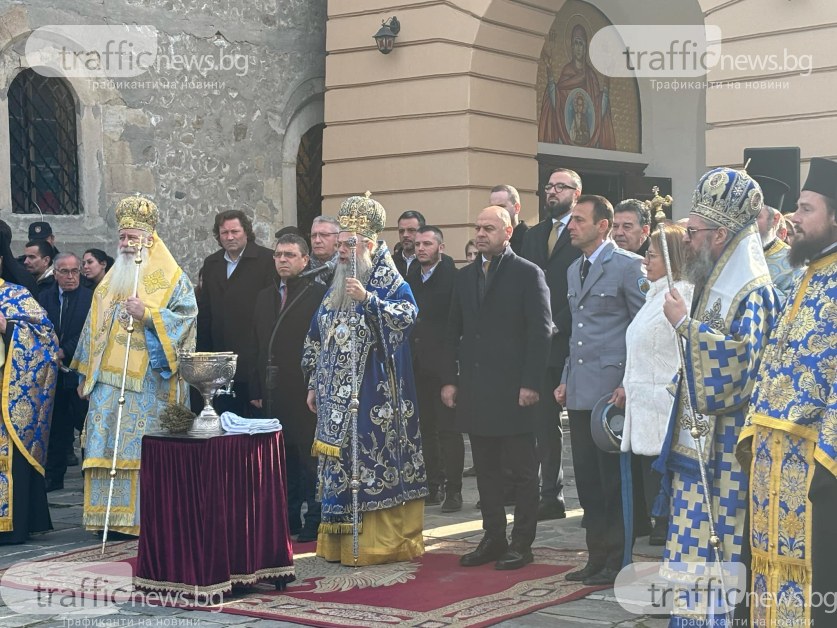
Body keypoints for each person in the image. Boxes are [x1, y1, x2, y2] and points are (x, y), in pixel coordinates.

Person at [655, 168, 780, 625]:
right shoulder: (713, 276)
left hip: (727, 451)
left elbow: (745, 368)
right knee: (690, 550)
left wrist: (686, 327)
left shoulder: (753, 290)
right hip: (698, 446)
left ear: (722, 233)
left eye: (693, 233)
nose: (688, 242)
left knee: (719, 548)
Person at [738, 157, 837, 628]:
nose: (793, 217)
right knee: (770, 572)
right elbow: (774, 363)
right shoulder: (805, 274)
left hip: (818, 466)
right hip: (774, 462)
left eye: (805, 207)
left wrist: (828, 461)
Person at [302, 193, 426, 566]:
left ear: (369, 245)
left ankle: (379, 544)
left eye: (348, 244)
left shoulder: (387, 279)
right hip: (332, 399)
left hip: (374, 394)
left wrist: (370, 299)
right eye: (339, 244)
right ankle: (339, 544)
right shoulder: (337, 283)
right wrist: (312, 382)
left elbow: (407, 315)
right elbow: (315, 335)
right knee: (339, 466)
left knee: (369, 463)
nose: (341, 250)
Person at [72, 195, 197, 535]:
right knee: (105, 448)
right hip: (107, 387)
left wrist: (149, 315)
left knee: (143, 451)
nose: (126, 244)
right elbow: (92, 327)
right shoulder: (111, 280)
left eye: (133, 238)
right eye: (123, 237)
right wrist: (85, 374)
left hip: (149, 386)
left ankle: (145, 519)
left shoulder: (173, 280)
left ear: (150, 240)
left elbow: (186, 321)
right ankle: (107, 518)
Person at [442, 206, 552, 570]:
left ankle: (522, 543)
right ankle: (493, 537)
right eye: (478, 227)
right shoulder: (465, 276)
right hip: (475, 389)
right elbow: (452, 330)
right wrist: (450, 380)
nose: (481, 233)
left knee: (522, 472)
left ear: (508, 232)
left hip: (514, 390)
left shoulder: (527, 273)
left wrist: (531, 383)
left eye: (489, 228)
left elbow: (541, 332)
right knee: (486, 469)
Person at [554, 194, 646, 585]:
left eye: (579, 219)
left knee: (613, 481)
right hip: (580, 387)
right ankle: (595, 556)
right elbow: (577, 331)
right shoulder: (574, 268)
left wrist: (629, 382)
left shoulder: (628, 266)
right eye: (571, 220)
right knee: (588, 482)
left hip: (613, 392)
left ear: (602, 226)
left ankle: (618, 559)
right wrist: (564, 377)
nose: (571, 226)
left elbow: (643, 329)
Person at [249, 234, 327, 542]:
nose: (283, 259)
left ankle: (314, 517)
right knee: (282, 458)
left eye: (290, 255)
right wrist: (256, 385)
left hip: (304, 390)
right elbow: (256, 343)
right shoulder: (265, 296)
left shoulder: (317, 294)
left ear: (305, 260)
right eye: (279, 254)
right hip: (273, 389)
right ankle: (288, 515)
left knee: (308, 457)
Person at [621, 225, 693, 546]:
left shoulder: (682, 294)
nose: (644, 261)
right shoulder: (654, 295)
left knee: (665, 486)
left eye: (651, 255)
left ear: (671, 257)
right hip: (644, 405)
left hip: (665, 406)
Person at [520, 168, 583, 521]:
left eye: (560, 187)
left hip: (572, 337)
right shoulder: (535, 234)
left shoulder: (580, 231)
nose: (552, 192)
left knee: (578, 418)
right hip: (540, 340)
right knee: (542, 422)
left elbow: (582, 288)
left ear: (577, 192)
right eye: (548, 186)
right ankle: (548, 495)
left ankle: (584, 496)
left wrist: (558, 321)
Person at [0, 234, 58, 544]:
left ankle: (9, 526)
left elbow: (47, 338)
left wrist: (7, 327)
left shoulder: (16, 296)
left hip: (6, 398)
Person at [197, 210, 275, 416]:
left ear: (246, 232)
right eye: (224, 233)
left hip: (252, 358)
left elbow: (271, 311)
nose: (230, 237)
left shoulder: (266, 260)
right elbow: (205, 312)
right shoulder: (212, 263)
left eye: (235, 231)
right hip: (219, 358)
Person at [408, 225, 463, 512]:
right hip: (416, 365)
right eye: (418, 244)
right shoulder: (411, 277)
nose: (421, 249)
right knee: (426, 429)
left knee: (449, 431)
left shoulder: (453, 278)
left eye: (427, 244)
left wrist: (451, 374)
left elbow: (456, 325)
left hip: (443, 365)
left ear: (440, 248)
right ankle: (434, 485)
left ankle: (454, 490)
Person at [37, 253, 93, 492]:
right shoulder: (44, 297)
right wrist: (52, 351)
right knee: (57, 426)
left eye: (75, 271)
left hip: (80, 371)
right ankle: (54, 475)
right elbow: (41, 327)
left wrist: (64, 350)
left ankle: (89, 475)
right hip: (54, 373)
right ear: (55, 273)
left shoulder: (90, 298)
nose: (71, 277)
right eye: (65, 272)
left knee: (85, 426)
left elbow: (88, 332)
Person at [753, 175, 804, 304]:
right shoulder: (733, 254)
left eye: (756, 217)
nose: (749, 224)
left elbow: (794, 305)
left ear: (775, 219)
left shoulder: (794, 263)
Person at [489, 184, 529, 255]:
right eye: (492, 208)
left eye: (501, 207)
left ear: (517, 208)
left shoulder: (531, 240)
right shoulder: (489, 239)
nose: (496, 212)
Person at [306, 216, 340, 285]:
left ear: (337, 238)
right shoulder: (303, 267)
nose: (317, 240)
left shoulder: (346, 267)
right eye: (313, 235)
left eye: (324, 235)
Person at [393, 210, 425, 281]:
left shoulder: (433, 262)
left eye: (411, 230)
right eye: (401, 231)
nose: (405, 235)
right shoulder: (390, 263)